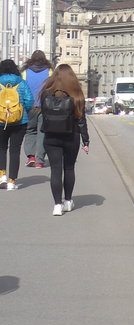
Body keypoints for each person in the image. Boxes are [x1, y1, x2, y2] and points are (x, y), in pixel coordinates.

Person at [39, 63, 90, 216]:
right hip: (71, 136)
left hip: (51, 136)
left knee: (55, 170)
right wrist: (85, 141)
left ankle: (57, 205)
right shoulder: (76, 94)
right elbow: (81, 119)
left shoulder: (46, 93)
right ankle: (68, 201)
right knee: (69, 168)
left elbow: (43, 113)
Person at [0, 58, 35, 191]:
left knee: (1, 148)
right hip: (20, 121)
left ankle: (1, 175)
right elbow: (29, 100)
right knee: (15, 150)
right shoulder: (21, 82)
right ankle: (11, 181)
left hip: (1, 121)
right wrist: (21, 112)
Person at [22, 49, 52, 169]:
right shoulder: (49, 71)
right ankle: (40, 160)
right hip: (44, 107)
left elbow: (22, 88)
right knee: (42, 133)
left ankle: (31, 157)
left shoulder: (25, 72)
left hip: (29, 107)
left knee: (30, 131)